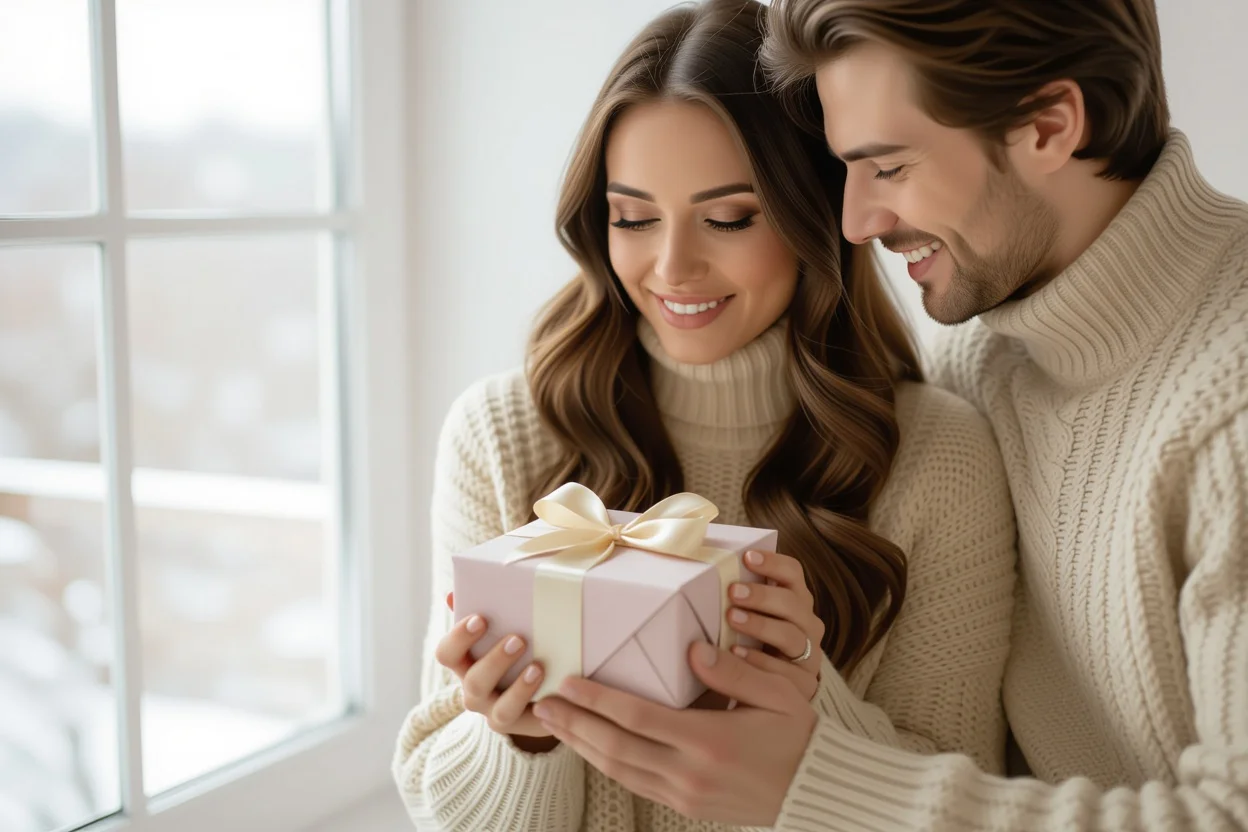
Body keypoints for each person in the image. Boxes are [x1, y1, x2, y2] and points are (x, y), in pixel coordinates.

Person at [540, 0, 1248, 829]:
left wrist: (819, 789)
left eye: (890, 166)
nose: (853, 222)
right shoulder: (982, 360)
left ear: (1050, 125)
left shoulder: (1227, 410)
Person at [391, 1, 1017, 830]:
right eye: (633, 218)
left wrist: (806, 695)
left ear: (813, 213)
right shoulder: (505, 435)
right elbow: (440, 805)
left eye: (728, 218)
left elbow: (955, 792)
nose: (673, 267)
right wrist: (516, 736)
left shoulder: (937, 455)